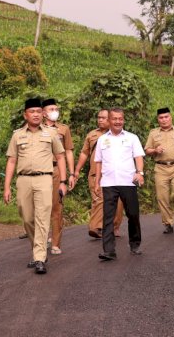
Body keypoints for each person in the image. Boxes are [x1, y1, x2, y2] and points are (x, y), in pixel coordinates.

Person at [4, 98, 67, 275]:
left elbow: (61, 156)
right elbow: (11, 161)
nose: (36, 115)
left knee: (42, 216)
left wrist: (63, 181)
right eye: (32, 112)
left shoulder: (51, 133)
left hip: (44, 179)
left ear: (43, 114)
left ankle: (39, 257)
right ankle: (37, 248)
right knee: (27, 217)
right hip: (23, 179)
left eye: (39, 112)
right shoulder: (17, 135)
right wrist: (7, 186)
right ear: (26, 115)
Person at [94, 107, 145, 260]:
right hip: (108, 183)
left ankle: (135, 243)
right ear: (109, 120)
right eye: (114, 119)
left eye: (120, 119)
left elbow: (138, 157)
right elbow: (98, 162)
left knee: (133, 214)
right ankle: (109, 250)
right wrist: (97, 182)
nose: (117, 121)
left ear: (123, 120)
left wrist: (140, 173)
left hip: (128, 181)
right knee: (108, 217)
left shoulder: (132, 138)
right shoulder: (102, 139)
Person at [73, 109, 124, 239]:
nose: (100, 120)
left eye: (104, 118)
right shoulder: (92, 135)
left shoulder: (119, 135)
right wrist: (77, 170)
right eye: (99, 117)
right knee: (98, 199)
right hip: (96, 174)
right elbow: (84, 153)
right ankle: (96, 227)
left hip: (115, 174)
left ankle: (114, 226)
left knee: (117, 203)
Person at [145, 107, 174, 234]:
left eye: (166, 117)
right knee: (162, 197)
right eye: (161, 118)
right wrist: (155, 150)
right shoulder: (153, 133)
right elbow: (147, 150)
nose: (164, 120)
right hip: (160, 167)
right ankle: (168, 222)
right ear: (158, 119)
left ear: (171, 117)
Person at [41, 98, 75, 255]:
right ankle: (41, 241)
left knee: (56, 207)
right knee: (40, 208)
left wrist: (71, 173)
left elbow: (68, 151)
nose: (55, 112)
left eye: (56, 108)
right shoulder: (35, 128)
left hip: (56, 171)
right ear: (43, 112)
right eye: (51, 109)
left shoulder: (63, 129)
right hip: (39, 171)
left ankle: (55, 243)